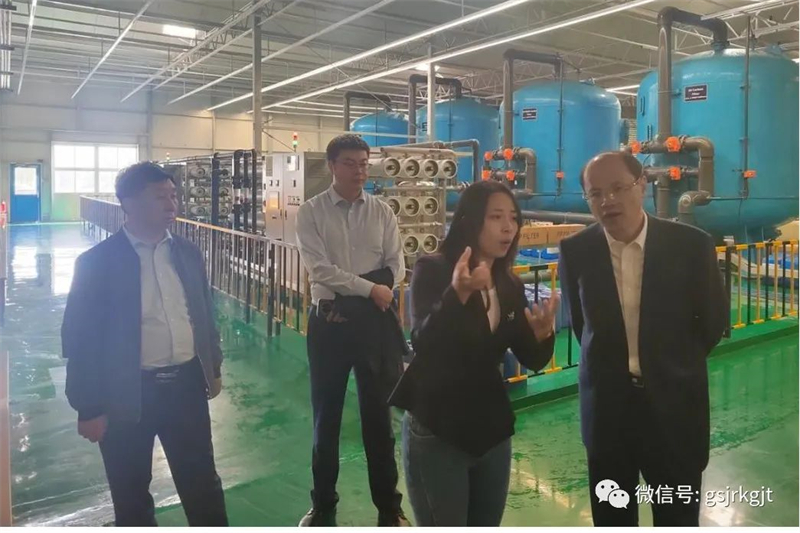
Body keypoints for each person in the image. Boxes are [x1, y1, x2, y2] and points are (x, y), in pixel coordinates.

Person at [558, 151, 728, 526]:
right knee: (613, 518)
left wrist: (670, 364)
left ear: (643, 186)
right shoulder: (577, 251)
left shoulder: (691, 246)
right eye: (595, 193)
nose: (608, 200)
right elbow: (583, 325)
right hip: (608, 413)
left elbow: (712, 323)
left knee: (677, 517)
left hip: (674, 407)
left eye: (618, 188)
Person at [62, 162, 228, 526]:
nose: (172, 204)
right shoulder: (97, 263)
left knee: (202, 482)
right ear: (129, 203)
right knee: (131, 491)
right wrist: (88, 407)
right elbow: (80, 338)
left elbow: (203, 314)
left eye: (173, 195)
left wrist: (212, 366)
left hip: (185, 387)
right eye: (159, 197)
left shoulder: (187, 253)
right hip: (126, 393)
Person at [388, 180, 559, 526]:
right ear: (470, 220)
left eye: (513, 217)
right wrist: (458, 294)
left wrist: (544, 336)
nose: (508, 227)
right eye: (496, 217)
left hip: (491, 429)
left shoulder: (509, 284)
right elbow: (424, 342)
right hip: (438, 427)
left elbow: (531, 359)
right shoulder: (433, 269)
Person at [295, 134, 410, 527]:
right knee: (325, 418)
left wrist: (357, 294)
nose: (359, 171)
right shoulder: (311, 213)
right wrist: (371, 289)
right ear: (332, 166)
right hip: (330, 327)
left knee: (379, 418)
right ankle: (323, 505)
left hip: (371, 327)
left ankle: (389, 508)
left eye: (364, 163)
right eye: (350, 163)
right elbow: (319, 269)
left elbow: (397, 267)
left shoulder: (382, 212)